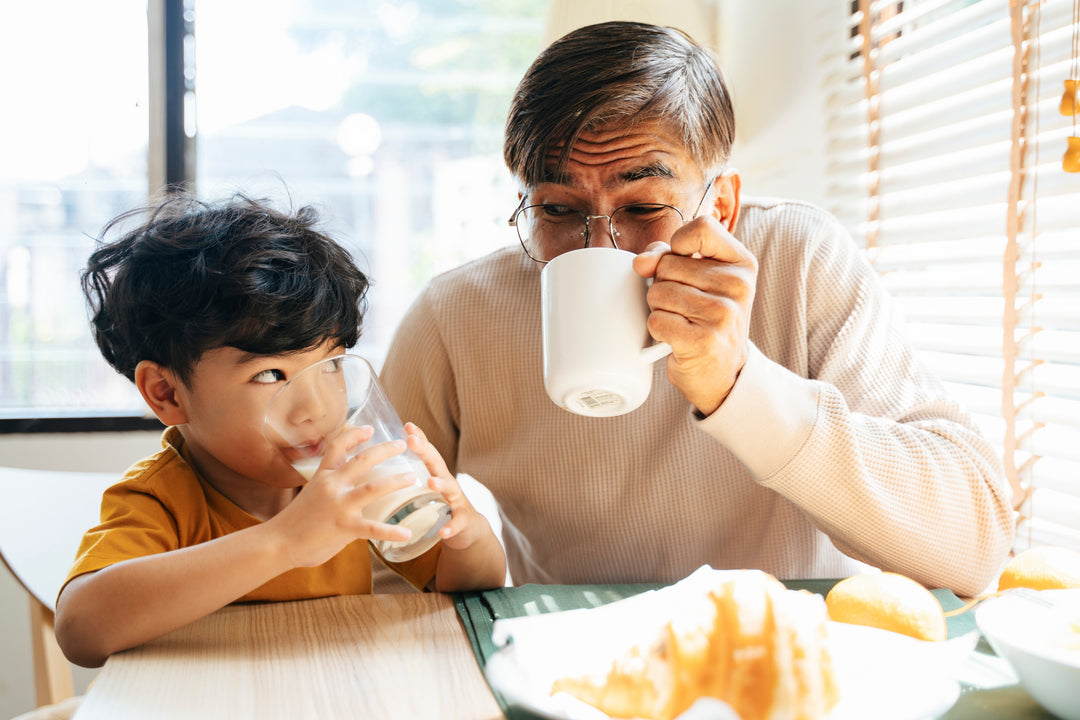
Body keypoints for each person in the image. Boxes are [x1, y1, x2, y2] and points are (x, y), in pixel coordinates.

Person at [380, 21, 1015, 597]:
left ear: (723, 206)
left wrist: (741, 385)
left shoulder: (799, 261)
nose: (601, 246)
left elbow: (976, 549)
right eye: (558, 210)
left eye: (643, 208)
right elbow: (377, 554)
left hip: (796, 672)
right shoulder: (458, 314)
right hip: (582, 672)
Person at [54, 193, 506, 669]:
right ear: (167, 393)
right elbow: (81, 630)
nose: (314, 408)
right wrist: (285, 542)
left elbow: (468, 588)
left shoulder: (348, 486)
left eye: (330, 366)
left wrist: (465, 532)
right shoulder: (162, 499)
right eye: (270, 375)